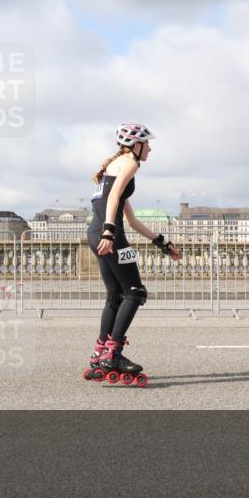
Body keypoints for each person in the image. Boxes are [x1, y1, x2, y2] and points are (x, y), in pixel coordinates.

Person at [83, 123, 182, 386]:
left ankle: (99, 353)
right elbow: (114, 198)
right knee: (135, 292)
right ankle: (113, 354)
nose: (150, 148)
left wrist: (162, 242)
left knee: (115, 295)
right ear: (135, 145)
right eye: (147, 143)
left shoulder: (112, 168)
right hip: (111, 237)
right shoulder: (129, 163)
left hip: (96, 234)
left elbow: (133, 219)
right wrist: (109, 232)